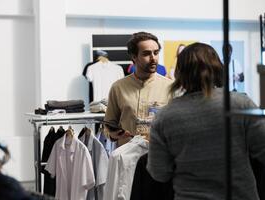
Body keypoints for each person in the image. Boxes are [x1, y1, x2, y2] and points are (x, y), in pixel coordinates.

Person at [147, 42, 265, 200]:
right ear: (217, 68)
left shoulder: (165, 117)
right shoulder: (240, 104)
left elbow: (159, 173)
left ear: (180, 74)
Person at [104, 32, 173, 146]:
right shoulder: (118, 88)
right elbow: (109, 124)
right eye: (146, 54)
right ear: (134, 56)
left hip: (159, 157)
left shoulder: (170, 87)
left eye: (156, 53)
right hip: (128, 157)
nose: (153, 58)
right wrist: (113, 133)